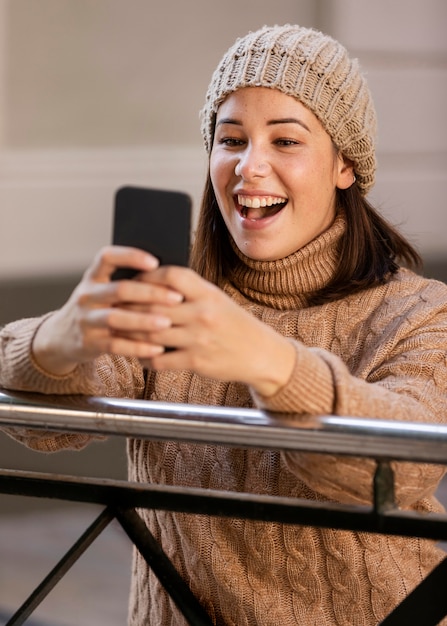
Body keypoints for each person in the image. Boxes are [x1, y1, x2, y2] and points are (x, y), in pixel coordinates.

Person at [1, 23, 447, 626]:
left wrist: (265, 359)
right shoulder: (173, 295)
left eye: (285, 141)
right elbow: (45, 425)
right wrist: (58, 340)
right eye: (231, 139)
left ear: (345, 165)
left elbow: (409, 462)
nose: (249, 167)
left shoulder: (419, 313)